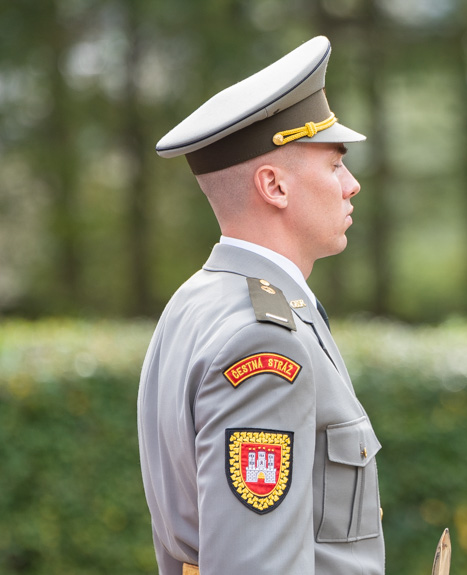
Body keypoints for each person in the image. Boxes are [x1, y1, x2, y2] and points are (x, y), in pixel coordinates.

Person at [137, 36, 385, 575]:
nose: (352, 185)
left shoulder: (200, 301)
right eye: (335, 165)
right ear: (273, 186)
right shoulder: (262, 337)